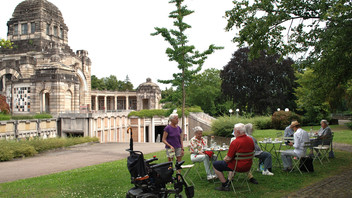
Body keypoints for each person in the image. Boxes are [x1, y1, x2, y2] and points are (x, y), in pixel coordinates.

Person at [213, 123, 255, 191]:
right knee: (232, 162)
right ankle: (228, 181)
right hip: (248, 166)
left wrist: (225, 159)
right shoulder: (250, 140)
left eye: (234, 131)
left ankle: (225, 185)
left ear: (238, 132)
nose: (233, 132)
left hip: (237, 166)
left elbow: (228, 158)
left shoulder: (235, 142)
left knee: (215, 164)